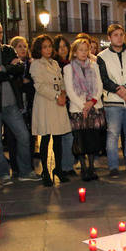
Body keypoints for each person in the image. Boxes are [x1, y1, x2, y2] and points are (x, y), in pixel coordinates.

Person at [0, 21, 41, 185]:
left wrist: (3, 69)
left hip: (12, 103)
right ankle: (3, 174)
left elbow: (20, 68)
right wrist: (9, 69)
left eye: (0, 33)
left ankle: (25, 170)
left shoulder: (8, 50)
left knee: (24, 136)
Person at [97, 24, 126, 178]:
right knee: (113, 135)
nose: (119, 37)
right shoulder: (102, 56)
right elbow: (103, 79)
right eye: (115, 35)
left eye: (121, 34)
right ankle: (113, 167)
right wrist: (119, 90)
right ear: (109, 38)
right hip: (112, 102)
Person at [29, 34, 72, 186]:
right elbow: (39, 86)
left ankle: (58, 168)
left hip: (58, 103)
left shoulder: (55, 63)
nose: (48, 50)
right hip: (45, 103)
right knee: (46, 138)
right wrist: (56, 96)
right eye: (44, 47)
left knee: (58, 138)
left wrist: (64, 93)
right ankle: (45, 171)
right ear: (39, 49)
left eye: (49, 46)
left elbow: (61, 81)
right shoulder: (36, 64)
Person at [63, 38, 104, 181]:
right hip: (77, 109)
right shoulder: (68, 68)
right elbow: (69, 90)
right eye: (80, 50)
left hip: (93, 107)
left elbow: (99, 86)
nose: (84, 52)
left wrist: (91, 102)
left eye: (86, 50)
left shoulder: (94, 66)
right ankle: (83, 167)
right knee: (80, 139)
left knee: (93, 139)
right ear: (74, 52)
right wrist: (83, 106)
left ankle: (92, 167)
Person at [9, 35, 36, 171]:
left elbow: (33, 83)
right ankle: (15, 166)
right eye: (19, 46)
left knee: (29, 136)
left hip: (29, 104)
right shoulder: (11, 63)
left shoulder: (31, 64)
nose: (23, 49)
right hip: (14, 103)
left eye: (25, 46)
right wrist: (21, 82)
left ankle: (28, 164)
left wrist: (28, 82)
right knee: (14, 136)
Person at [53, 35, 77, 177]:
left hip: (72, 103)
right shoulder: (56, 65)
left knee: (69, 136)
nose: (63, 49)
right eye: (59, 47)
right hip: (60, 103)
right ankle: (63, 166)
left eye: (65, 46)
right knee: (63, 137)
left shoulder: (72, 63)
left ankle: (68, 164)